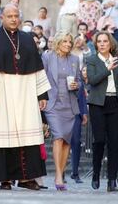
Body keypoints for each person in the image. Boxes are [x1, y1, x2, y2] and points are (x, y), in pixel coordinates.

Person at [0, 4, 51, 191]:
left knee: (27, 137)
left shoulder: (28, 40)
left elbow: (37, 68)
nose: (13, 19)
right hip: (2, 94)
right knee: (3, 138)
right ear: (2, 18)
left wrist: (42, 94)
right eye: (9, 16)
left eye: (16, 16)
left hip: (26, 93)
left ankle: (26, 179)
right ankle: (4, 180)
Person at [86, 32, 118, 192]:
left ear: (110, 43)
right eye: (99, 41)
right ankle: (96, 174)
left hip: (115, 103)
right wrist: (107, 69)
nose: (102, 44)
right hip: (97, 104)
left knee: (114, 142)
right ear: (96, 44)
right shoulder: (91, 60)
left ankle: (112, 180)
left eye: (105, 41)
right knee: (99, 140)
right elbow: (92, 80)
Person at [42, 32, 80, 190]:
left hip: (69, 104)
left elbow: (78, 81)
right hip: (53, 103)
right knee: (58, 137)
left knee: (66, 141)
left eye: (70, 42)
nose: (68, 44)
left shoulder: (75, 60)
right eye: (64, 41)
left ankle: (61, 172)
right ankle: (58, 175)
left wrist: (77, 86)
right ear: (58, 42)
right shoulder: (47, 57)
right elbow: (41, 78)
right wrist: (41, 98)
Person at [70, 64, 89, 184]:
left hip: (76, 113)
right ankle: (60, 172)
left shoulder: (79, 80)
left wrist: (84, 113)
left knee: (76, 142)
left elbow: (82, 97)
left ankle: (75, 172)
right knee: (62, 142)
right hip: (62, 112)